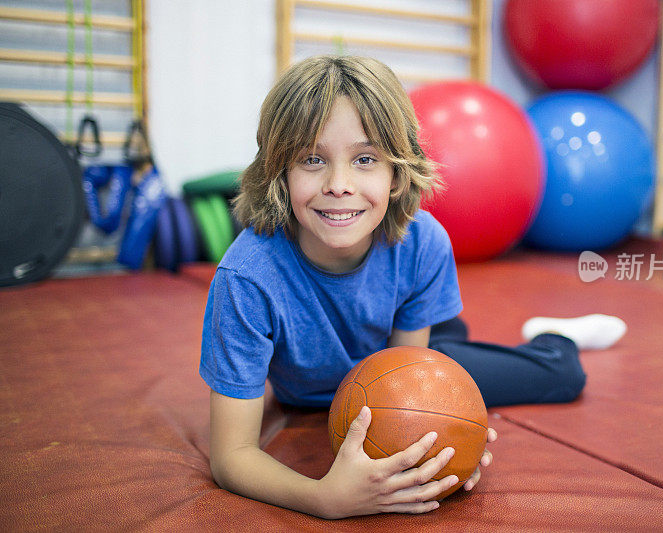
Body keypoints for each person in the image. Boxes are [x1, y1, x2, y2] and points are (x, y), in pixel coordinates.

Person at [199, 55, 627, 519]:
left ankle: (556, 338)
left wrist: (447, 436)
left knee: (565, 378)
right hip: (347, 376)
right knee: (452, 341)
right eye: (312, 159)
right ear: (279, 171)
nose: (339, 185)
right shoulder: (247, 279)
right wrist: (323, 498)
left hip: (408, 348)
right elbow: (230, 457)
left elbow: (408, 380)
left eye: (365, 160)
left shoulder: (422, 241)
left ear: (397, 172)